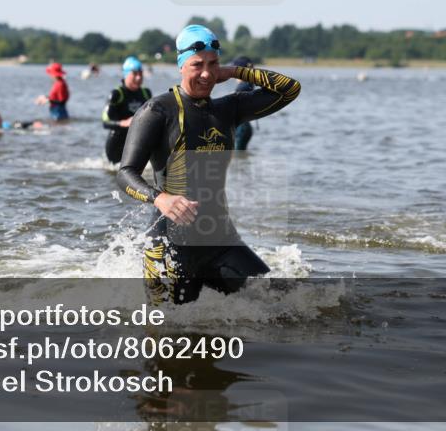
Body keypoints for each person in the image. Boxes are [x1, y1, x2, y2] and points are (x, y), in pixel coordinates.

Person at [117, 25, 301, 305]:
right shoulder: (157, 111)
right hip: (169, 247)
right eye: (197, 65)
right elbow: (125, 173)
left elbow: (290, 89)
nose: (206, 73)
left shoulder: (228, 109)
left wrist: (234, 71)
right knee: (171, 336)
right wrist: (161, 199)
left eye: (212, 64)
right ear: (181, 66)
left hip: (221, 242)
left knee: (283, 304)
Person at [102, 56, 152, 164]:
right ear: (126, 74)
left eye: (140, 73)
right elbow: (105, 122)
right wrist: (124, 123)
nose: (138, 78)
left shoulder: (146, 93)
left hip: (137, 142)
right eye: (134, 74)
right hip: (117, 143)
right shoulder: (116, 94)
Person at [230, 56, 256, 151]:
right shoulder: (249, 83)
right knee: (240, 157)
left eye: (233, 69)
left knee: (236, 156)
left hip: (241, 127)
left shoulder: (243, 86)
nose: (231, 73)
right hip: (243, 126)